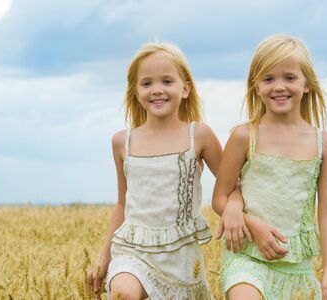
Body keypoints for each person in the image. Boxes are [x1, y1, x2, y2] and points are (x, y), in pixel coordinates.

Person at [86, 42, 240, 299]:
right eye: (146, 83)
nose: (157, 90)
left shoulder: (198, 136)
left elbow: (232, 184)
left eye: (167, 81)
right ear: (136, 92)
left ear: (185, 88)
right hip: (132, 251)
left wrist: (233, 207)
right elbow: (123, 204)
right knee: (123, 292)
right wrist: (104, 258)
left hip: (180, 258)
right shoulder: (122, 141)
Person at [212, 34, 327, 300]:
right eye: (268, 79)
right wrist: (248, 222)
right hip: (247, 259)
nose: (279, 86)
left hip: (297, 269)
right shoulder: (244, 136)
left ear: (307, 85)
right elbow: (220, 197)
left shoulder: (323, 145)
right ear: (256, 87)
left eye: (289, 78)